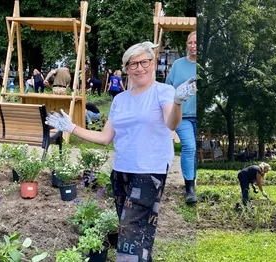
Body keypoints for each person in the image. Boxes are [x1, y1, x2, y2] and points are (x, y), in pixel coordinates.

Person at [45, 41, 195, 261]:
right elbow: (105, 138)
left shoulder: (164, 92)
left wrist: (178, 103)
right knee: (137, 230)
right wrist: (71, 127)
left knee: (129, 232)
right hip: (121, 172)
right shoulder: (120, 100)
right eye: (132, 64)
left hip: (149, 172)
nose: (139, 68)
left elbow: (171, 123)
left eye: (144, 62)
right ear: (126, 69)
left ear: (152, 64)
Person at [166, 31, 197, 204]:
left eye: (196, 43)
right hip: (182, 115)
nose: (193, 46)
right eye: (190, 43)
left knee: (196, 152)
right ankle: (189, 188)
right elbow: (168, 88)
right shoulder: (178, 65)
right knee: (190, 147)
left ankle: (194, 180)